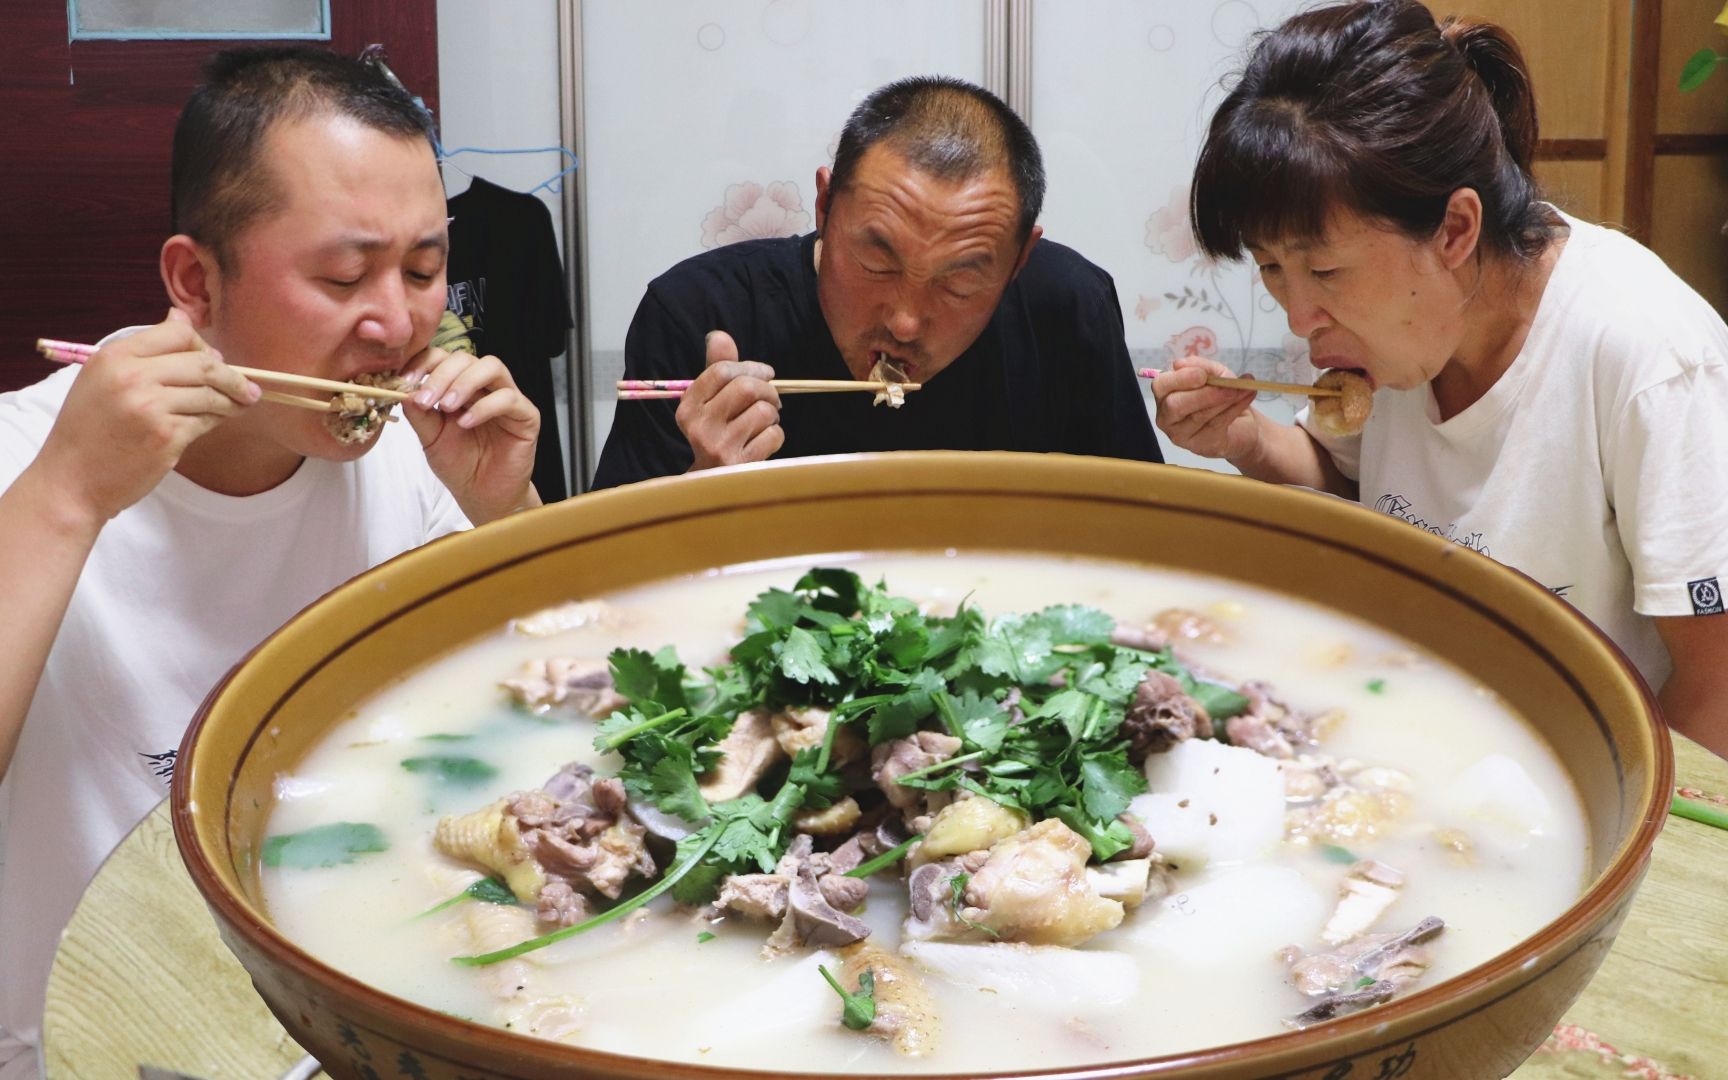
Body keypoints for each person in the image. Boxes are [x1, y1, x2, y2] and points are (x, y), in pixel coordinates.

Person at [0, 47, 541, 1071]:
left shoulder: (408, 466)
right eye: (345, 276)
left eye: (425, 272)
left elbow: (539, 739)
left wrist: (506, 508)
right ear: (195, 281)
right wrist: (69, 496)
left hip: (350, 1031)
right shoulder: (27, 459)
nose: (398, 322)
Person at [1154, 0, 1728, 758]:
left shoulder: (1646, 358)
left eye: (1323, 268)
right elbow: (1343, 481)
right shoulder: (1393, 330)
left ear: (1456, 230)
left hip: (1582, 770)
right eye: (1270, 267)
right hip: (1420, 726)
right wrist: (1248, 439)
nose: (1298, 316)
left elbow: (1717, 686)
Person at [592, 75, 1163, 489]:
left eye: (958, 285)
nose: (905, 321)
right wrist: (700, 487)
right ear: (824, 205)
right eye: (878, 264)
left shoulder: (1066, 308)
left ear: (1019, 261)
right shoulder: (700, 314)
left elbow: (1139, 535)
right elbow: (609, 589)